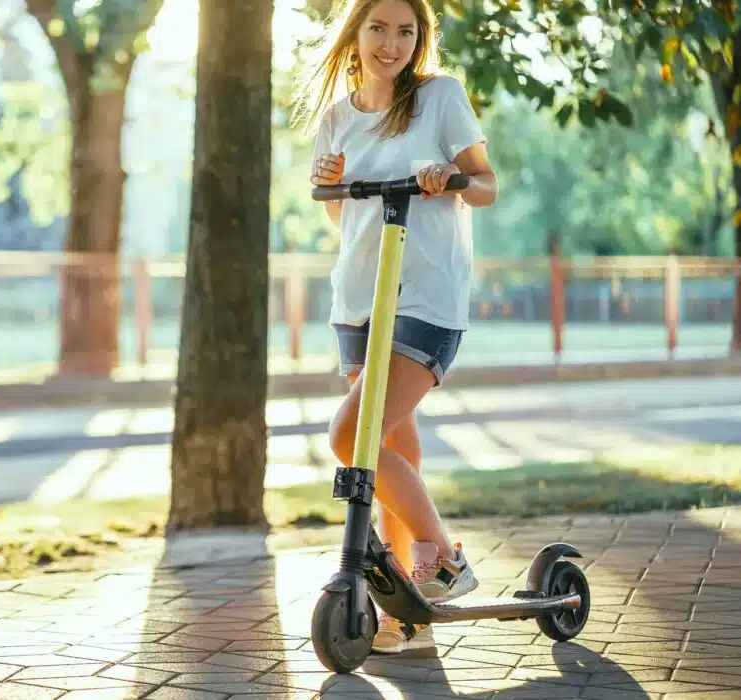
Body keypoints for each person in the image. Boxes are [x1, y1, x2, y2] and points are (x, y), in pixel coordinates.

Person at [292, 0, 499, 654]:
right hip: (358, 300)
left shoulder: (439, 97)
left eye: (405, 30)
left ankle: (441, 557)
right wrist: (330, 182)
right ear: (355, 32)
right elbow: (342, 219)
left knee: (349, 435)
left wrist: (451, 180)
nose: (391, 43)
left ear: (420, 37)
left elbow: (488, 184)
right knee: (394, 454)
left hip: (426, 295)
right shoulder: (335, 118)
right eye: (378, 27)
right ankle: (405, 614)